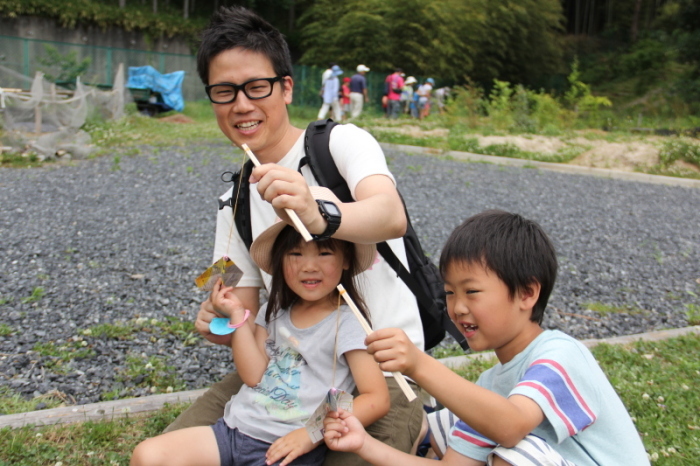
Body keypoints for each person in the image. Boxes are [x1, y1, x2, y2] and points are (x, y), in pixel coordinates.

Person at [164, 6, 426, 466]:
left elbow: (390, 215)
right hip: (283, 370)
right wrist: (220, 321)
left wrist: (319, 212)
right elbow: (245, 313)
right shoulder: (235, 200)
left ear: (286, 88)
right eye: (224, 92)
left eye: (256, 87)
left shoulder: (339, 144)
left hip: (380, 375)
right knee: (162, 455)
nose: (241, 105)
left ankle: (418, 424)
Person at [324, 210, 650, 466]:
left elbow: (511, 425)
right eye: (449, 292)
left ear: (527, 293)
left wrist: (417, 363)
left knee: (513, 454)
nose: (458, 307)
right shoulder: (489, 384)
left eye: (472, 292)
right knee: (453, 421)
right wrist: (364, 444)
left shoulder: (559, 354)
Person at [131, 189, 390, 466]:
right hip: (233, 431)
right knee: (148, 455)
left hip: (288, 448)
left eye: (325, 253)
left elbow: (376, 398)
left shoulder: (349, 324)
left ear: (346, 260)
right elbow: (254, 375)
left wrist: (311, 433)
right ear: (280, 260)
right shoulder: (275, 311)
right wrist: (238, 317)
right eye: (295, 253)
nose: (309, 266)